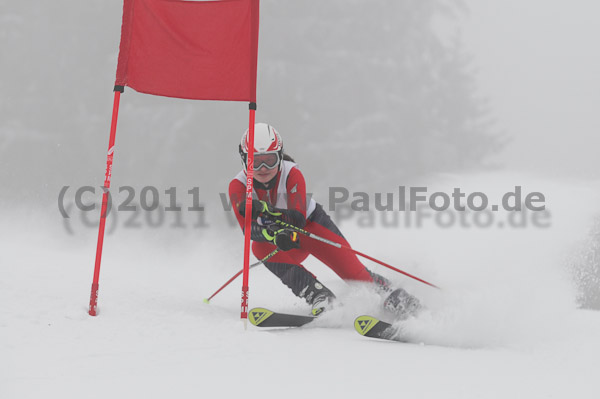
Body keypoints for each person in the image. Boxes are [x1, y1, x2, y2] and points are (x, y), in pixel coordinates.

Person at [229, 123, 421, 317]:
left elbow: (297, 218)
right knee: (258, 247)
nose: (263, 169)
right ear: (244, 160)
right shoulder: (238, 186)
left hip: (312, 228)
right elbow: (248, 230)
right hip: (283, 242)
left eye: (269, 160)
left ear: (279, 156)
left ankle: (401, 301)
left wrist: (267, 210)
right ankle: (318, 295)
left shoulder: (291, 173)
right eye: (255, 161)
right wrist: (273, 234)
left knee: (355, 276)